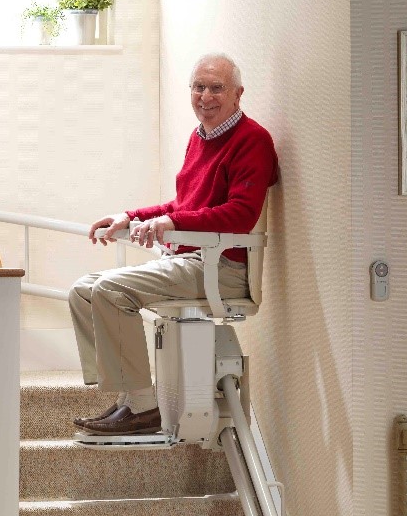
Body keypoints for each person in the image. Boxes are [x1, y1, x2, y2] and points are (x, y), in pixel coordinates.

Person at [69, 54, 278, 435]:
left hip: (223, 268)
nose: (205, 96)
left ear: (238, 94)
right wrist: (130, 217)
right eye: (198, 87)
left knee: (110, 290)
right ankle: (130, 397)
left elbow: (240, 214)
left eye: (217, 88)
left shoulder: (253, 141)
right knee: (82, 290)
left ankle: (144, 409)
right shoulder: (200, 137)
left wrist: (173, 221)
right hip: (191, 258)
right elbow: (183, 206)